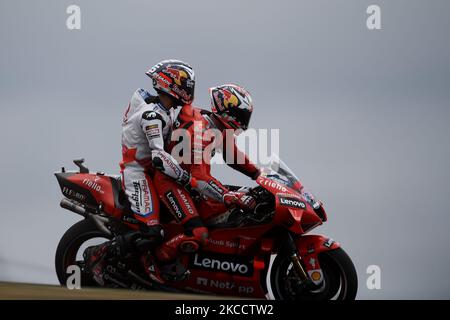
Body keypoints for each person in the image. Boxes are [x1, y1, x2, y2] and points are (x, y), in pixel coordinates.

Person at [84, 59, 212, 285]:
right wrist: (187, 178)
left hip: (151, 172)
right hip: (138, 173)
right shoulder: (152, 116)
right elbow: (159, 157)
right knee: (153, 232)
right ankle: (100, 255)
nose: (189, 88)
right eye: (185, 83)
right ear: (171, 84)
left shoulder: (164, 109)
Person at [153, 84, 261, 263]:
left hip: (190, 185)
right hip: (171, 183)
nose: (243, 122)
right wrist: (227, 195)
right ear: (227, 110)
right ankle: (153, 262)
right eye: (241, 115)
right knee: (199, 233)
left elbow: (233, 155)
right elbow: (199, 176)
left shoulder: (215, 125)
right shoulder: (200, 129)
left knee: (231, 207)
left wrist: (260, 175)